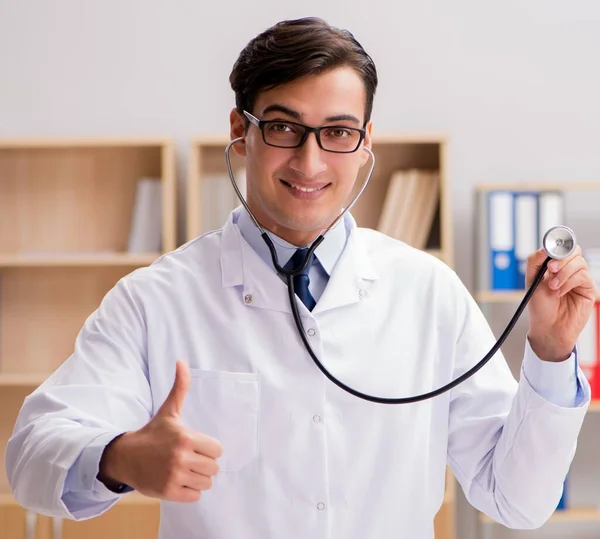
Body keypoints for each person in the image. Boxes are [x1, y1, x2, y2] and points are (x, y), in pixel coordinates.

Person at [5, 16, 597, 539]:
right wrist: (121, 458)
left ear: (367, 144)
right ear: (241, 130)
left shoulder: (429, 293)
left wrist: (550, 352)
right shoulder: (156, 298)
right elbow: (30, 455)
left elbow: (517, 502)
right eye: (284, 127)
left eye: (338, 132)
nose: (309, 163)